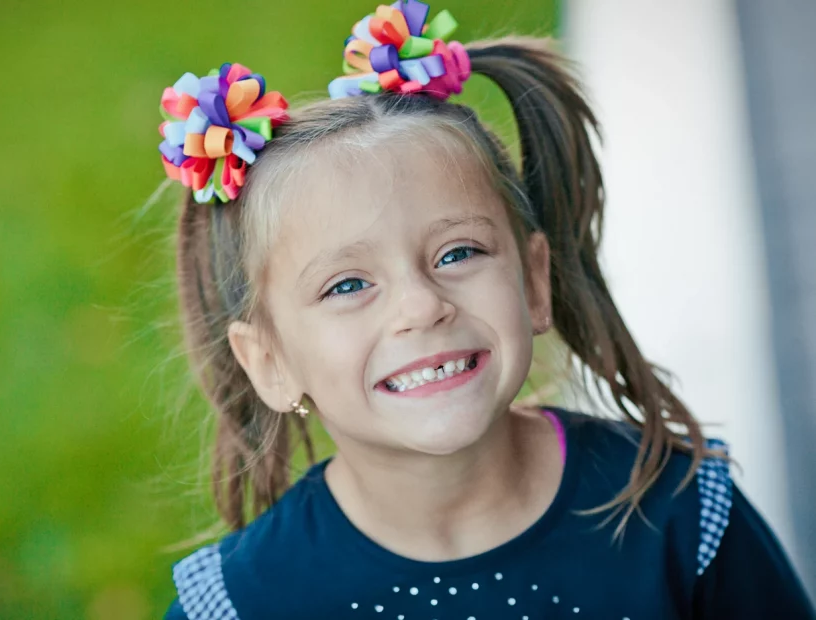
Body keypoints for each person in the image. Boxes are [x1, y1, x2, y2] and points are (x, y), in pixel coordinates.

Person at [154, 2, 815, 618]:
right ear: (268, 362)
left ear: (533, 281)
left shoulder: (678, 512)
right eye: (348, 286)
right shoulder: (242, 602)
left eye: (457, 253)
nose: (421, 306)